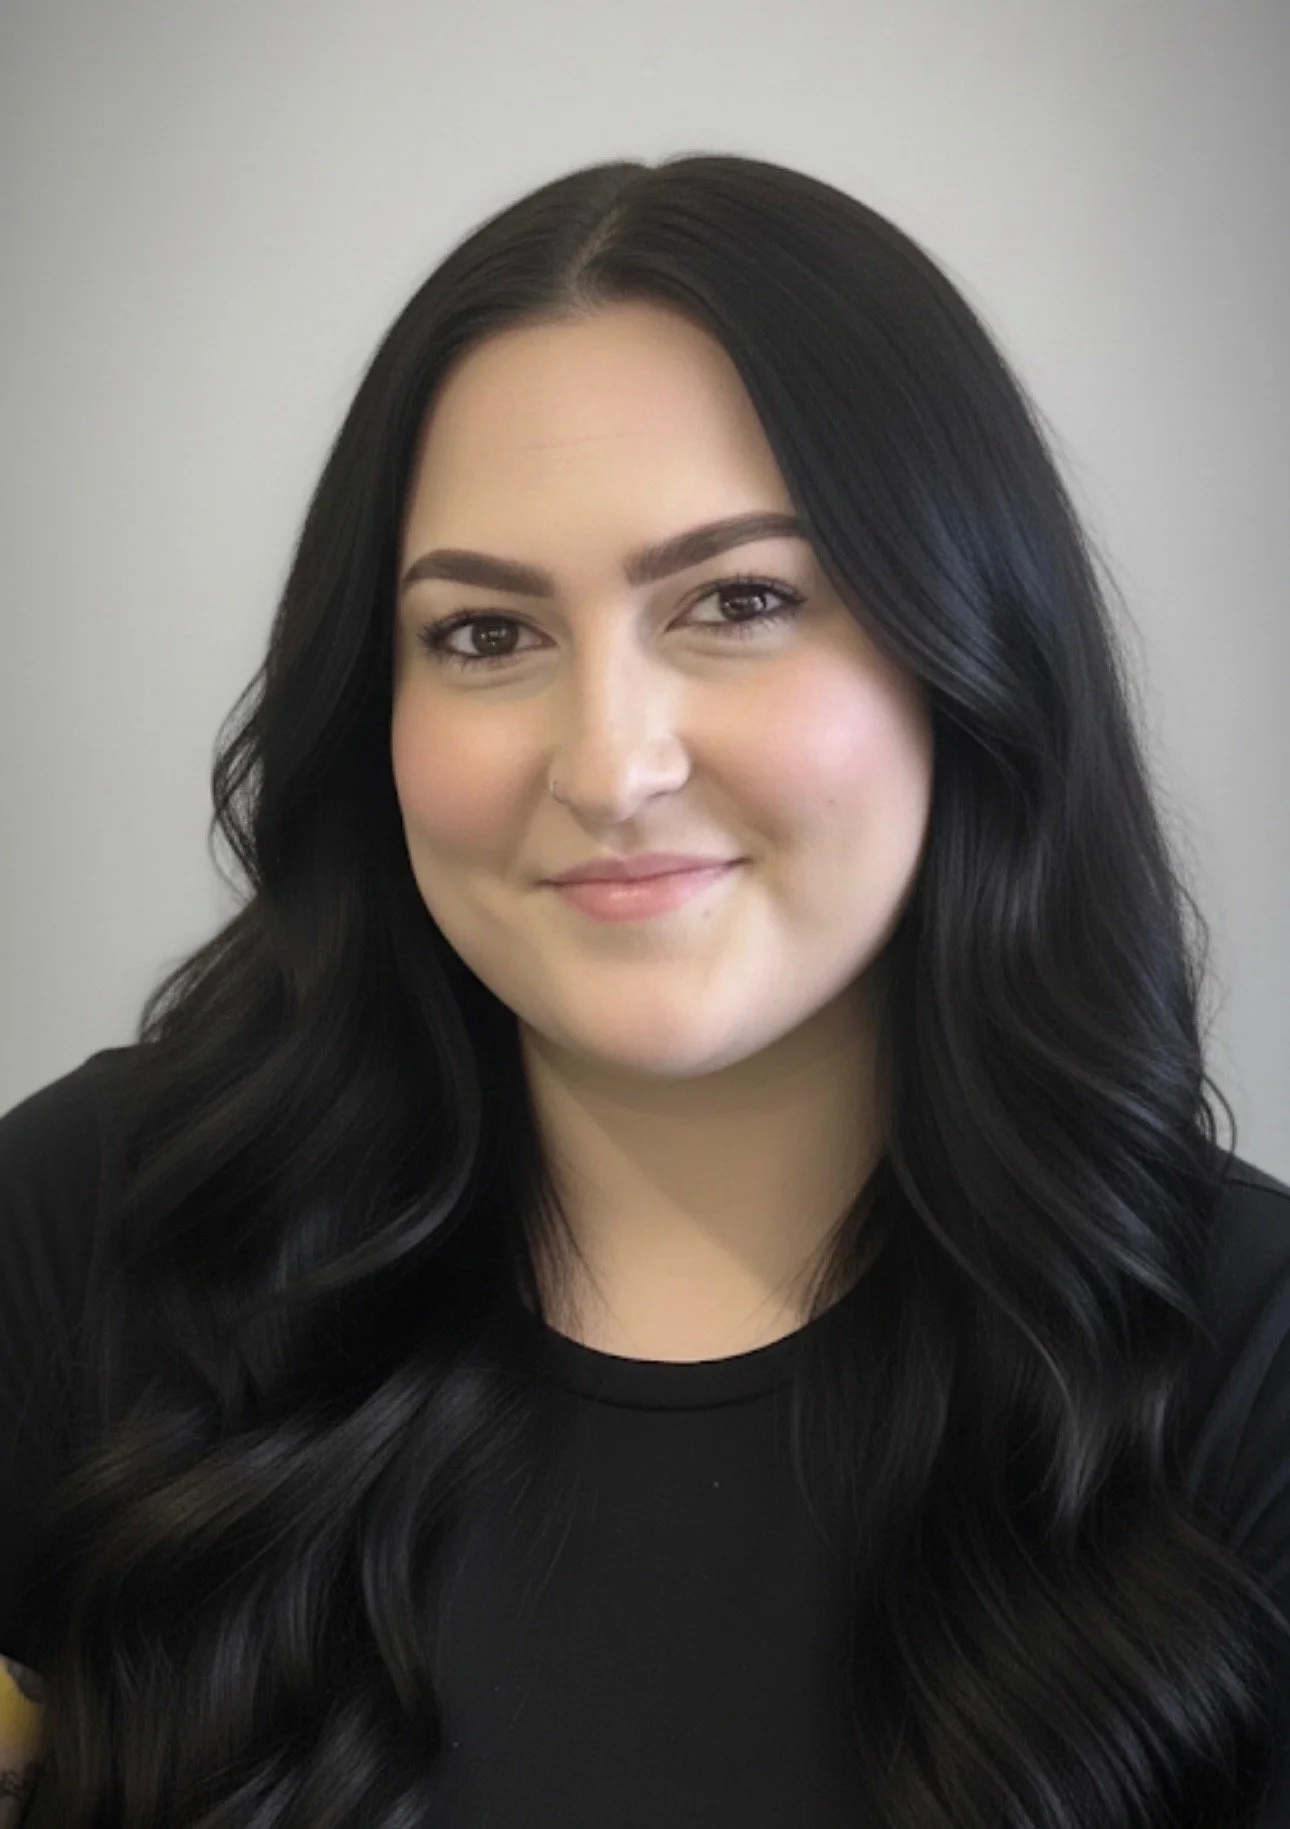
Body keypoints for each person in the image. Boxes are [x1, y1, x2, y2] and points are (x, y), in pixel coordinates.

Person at [2, 151, 1288, 1828]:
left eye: (741, 602)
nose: (609, 765)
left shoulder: (1245, 1362)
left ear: (968, 659)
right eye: (482, 634)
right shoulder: (98, 1223)